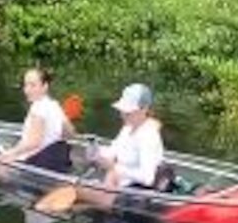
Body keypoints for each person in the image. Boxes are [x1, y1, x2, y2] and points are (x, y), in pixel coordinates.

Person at [70, 83, 166, 211]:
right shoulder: (127, 128)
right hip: (117, 185)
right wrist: (97, 153)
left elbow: (148, 178)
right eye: (123, 111)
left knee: (76, 193)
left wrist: (115, 168)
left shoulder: (148, 135)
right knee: (77, 195)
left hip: (133, 192)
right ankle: (92, 205)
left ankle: (93, 205)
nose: (123, 115)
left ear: (144, 110)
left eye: (128, 112)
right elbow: (112, 151)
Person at [0, 67, 74, 173]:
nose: (27, 90)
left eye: (33, 85)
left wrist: (10, 153)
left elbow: (33, 142)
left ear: (45, 87)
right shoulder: (54, 105)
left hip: (37, 162)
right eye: (25, 85)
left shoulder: (38, 107)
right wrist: (53, 136)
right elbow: (70, 133)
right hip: (57, 159)